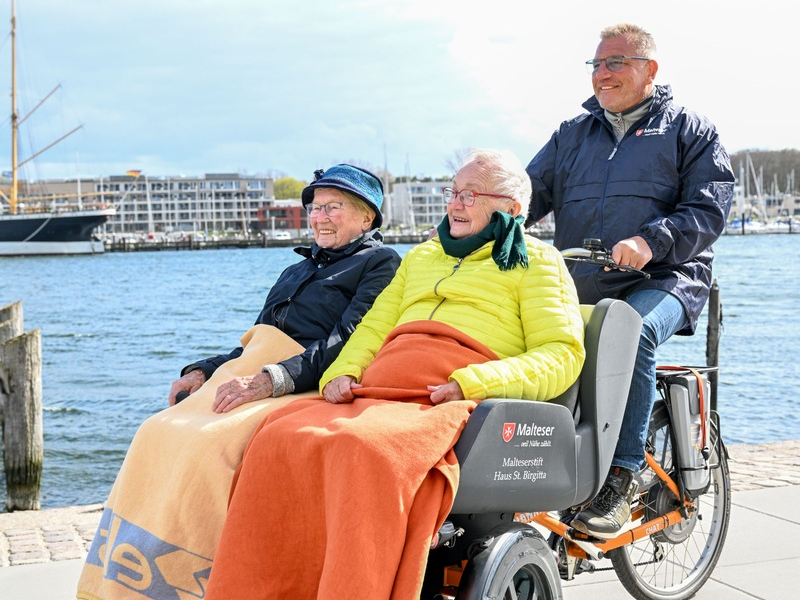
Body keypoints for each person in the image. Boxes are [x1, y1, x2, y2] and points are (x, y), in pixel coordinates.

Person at [203, 148, 586, 599]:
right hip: (382, 385)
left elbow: (561, 353)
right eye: (453, 192)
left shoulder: (538, 262)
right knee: (275, 438)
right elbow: (373, 329)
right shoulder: (422, 257)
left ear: (512, 209)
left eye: (469, 195)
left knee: (364, 449)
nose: (454, 204)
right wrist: (341, 373)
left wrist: (474, 382)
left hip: (449, 389)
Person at [76, 164, 401, 600]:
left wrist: (273, 379)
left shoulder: (380, 263)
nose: (319, 216)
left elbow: (347, 341)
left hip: (301, 380)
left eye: (333, 207)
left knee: (209, 448)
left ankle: (191, 582)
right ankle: (124, 580)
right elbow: (250, 343)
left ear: (367, 217)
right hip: (253, 371)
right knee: (155, 431)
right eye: (315, 208)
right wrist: (202, 370)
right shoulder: (295, 270)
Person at [526, 23, 734, 540]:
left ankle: (623, 476)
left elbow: (709, 211)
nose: (602, 74)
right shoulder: (572, 134)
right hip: (583, 279)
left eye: (614, 62)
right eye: (595, 65)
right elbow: (527, 194)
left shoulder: (691, 129)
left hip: (669, 277)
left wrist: (650, 241)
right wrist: (486, 217)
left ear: (649, 70)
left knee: (632, 331)